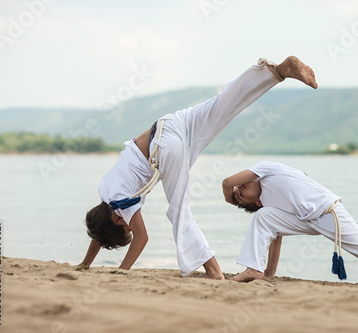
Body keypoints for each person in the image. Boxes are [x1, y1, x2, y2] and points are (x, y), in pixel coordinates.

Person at [78, 57, 318, 279]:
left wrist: (122, 273)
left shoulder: (120, 205)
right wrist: (85, 264)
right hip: (169, 125)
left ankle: (213, 270)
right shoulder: (106, 195)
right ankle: (277, 72)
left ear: (117, 220)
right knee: (223, 104)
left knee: (179, 212)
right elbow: (100, 233)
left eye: (126, 227)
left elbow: (142, 239)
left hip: (165, 149)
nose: (132, 224)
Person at [222, 161, 358, 289]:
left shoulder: (265, 169)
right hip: (307, 219)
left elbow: (227, 183)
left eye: (240, 187)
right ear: (257, 202)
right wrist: (269, 272)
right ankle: (254, 269)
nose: (240, 186)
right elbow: (273, 238)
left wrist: (229, 198)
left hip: (327, 211)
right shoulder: (267, 206)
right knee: (263, 218)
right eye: (241, 193)